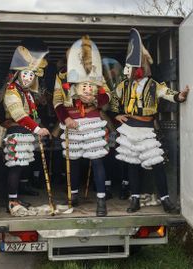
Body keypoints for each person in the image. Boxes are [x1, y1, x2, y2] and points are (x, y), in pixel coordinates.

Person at [111, 28, 190, 213]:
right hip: (129, 127)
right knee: (132, 164)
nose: (134, 70)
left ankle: (165, 200)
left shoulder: (154, 85)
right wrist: (116, 114)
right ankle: (135, 199)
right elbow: (112, 98)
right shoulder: (124, 85)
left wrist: (181, 95)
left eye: (137, 66)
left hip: (146, 128)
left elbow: (169, 94)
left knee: (156, 164)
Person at [53, 36, 111, 217]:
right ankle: (74, 196)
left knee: (97, 160)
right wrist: (65, 119)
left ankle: (101, 200)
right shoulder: (61, 76)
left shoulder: (96, 74)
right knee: (74, 160)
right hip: (72, 122)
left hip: (92, 119)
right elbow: (57, 101)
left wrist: (95, 99)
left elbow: (108, 96)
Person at [3, 44, 50, 215]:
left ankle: (17, 197)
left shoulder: (27, 93)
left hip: (25, 134)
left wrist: (37, 128)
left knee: (22, 166)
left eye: (31, 75)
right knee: (15, 167)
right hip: (16, 132)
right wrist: (38, 130)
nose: (28, 77)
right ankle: (12, 201)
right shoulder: (11, 91)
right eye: (25, 74)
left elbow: (32, 113)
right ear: (17, 75)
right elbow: (19, 115)